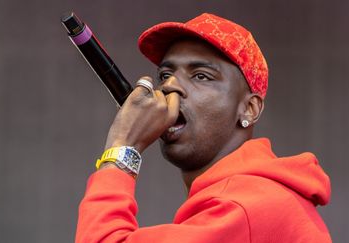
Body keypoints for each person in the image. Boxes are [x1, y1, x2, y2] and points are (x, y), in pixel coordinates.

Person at [75, 13, 332, 243]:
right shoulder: (248, 198)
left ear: (249, 109)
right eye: (164, 75)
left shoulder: (244, 208)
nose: (170, 86)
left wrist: (122, 149)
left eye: (201, 76)